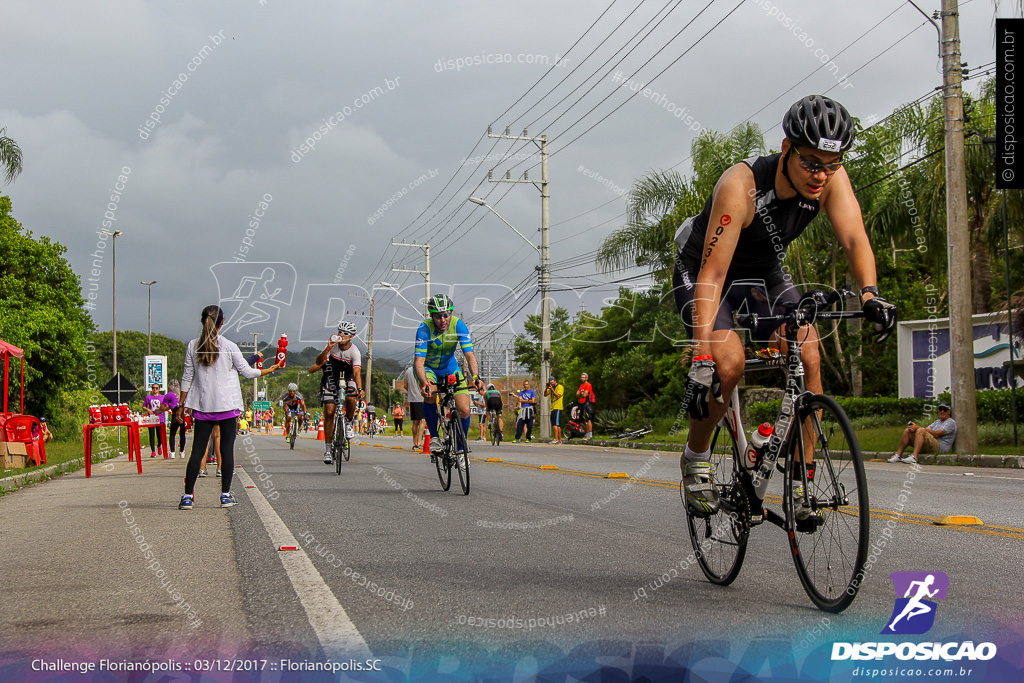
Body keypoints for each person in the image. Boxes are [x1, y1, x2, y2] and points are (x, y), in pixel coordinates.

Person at [672, 95, 898, 519]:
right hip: (705, 270)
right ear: (785, 148)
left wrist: (870, 293)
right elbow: (713, 275)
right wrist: (703, 356)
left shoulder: (831, 177)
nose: (821, 174)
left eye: (831, 163)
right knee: (728, 364)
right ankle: (695, 457)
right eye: (811, 162)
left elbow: (853, 237)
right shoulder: (741, 186)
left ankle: (800, 482)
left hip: (763, 274)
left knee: (809, 347)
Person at [175, 304, 281, 510]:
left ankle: (187, 496)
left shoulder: (192, 345)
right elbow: (248, 373)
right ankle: (225, 495)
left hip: (203, 407)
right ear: (222, 322)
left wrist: (181, 404)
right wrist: (270, 369)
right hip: (227, 407)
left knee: (197, 451)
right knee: (226, 450)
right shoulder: (230, 345)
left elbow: (187, 377)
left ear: (202, 321)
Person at [413, 294, 484, 460]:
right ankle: (435, 438)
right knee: (430, 394)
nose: (443, 319)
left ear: (451, 313)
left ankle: (461, 449)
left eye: (446, 314)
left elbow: (470, 355)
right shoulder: (424, 329)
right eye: (438, 316)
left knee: (465, 409)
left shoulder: (459, 325)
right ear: (432, 316)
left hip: (450, 368)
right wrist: (424, 382)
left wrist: (475, 376)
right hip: (429, 369)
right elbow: (419, 361)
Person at [309, 321, 363, 464]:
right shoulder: (332, 347)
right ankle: (327, 450)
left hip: (349, 376)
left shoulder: (355, 351)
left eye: (345, 333)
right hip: (331, 377)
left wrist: (360, 388)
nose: (341, 335)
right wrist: (328, 348)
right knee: (329, 412)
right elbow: (318, 362)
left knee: (352, 396)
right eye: (340, 332)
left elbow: (357, 372)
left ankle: (349, 422)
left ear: (351, 337)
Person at [889, 403, 957, 464]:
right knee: (908, 431)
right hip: (931, 443)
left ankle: (914, 457)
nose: (942, 411)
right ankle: (898, 456)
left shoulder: (950, 422)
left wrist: (919, 428)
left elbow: (936, 434)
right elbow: (927, 430)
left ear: (949, 412)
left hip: (939, 447)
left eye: (945, 410)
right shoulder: (937, 422)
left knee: (920, 430)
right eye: (940, 409)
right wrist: (914, 428)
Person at [403, 365, 426, 451]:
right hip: (421, 397)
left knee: (415, 422)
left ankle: (415, 443)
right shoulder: (422, 368)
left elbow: (405, 385)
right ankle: (419, 442)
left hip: (412, 398)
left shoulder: (408, 370)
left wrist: (412, 392)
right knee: (423, 420)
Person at [143, 383, 167, 457]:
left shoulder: (162, 397)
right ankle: (153, 451)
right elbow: (144, 406)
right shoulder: (148, 397)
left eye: (156, 388)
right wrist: (148, 410)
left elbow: (166, 406)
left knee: (159, 435)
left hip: (160, 418)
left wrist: (162, 409)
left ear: (159, 389)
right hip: (151, 418)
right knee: (151, 434)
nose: (155, 389)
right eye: (153, 388)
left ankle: (159, 445)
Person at [165, 379, 187, 456]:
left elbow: (164, 406)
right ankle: (182, 451)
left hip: (175, 414)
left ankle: (173, 452)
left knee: (172, 433)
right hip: (183, 414)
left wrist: (158, 411)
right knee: (182, 433)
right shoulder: (181, 394)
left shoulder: (169, 394)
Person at [545, 376, 565, 444]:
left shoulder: (560, 387)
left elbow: (558, 396)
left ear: (555, 381)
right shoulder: (550, 388)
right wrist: (546, 388)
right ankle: (559, 440)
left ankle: (556, 439)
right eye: (550, 382)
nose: (551, 383)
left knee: (555, 425)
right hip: (553, 407)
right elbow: (545, 394)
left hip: (558, 407)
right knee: (556, 424)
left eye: (552, 382)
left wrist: (552, 389)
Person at [575, 373, 596, 439]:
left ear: (586, 378)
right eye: (581, 377)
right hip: (582, 404)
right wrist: (581, 394)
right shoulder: (581, 385)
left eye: (583, 377)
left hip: (587, 403)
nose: (582, 378)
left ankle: (590, 434)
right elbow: (577, 394)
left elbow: (585, 394)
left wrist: (581, 394)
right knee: (583, 419)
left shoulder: (588, 385)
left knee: (588, 419)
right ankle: (586, 433)